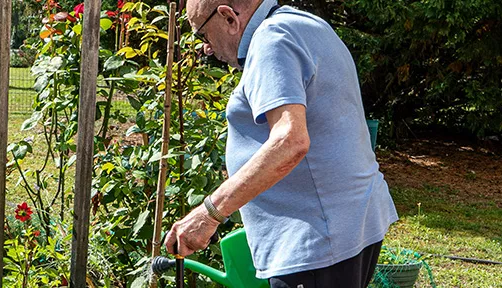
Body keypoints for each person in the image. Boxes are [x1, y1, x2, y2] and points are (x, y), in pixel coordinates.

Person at [161, 0, 399, 286]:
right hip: (350, 227)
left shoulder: (271, 40)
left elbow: (290, 141)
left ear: (229, 18)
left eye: (204, 34)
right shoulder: (305, 24)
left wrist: (209, 213)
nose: (206, 48)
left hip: (314, 244)